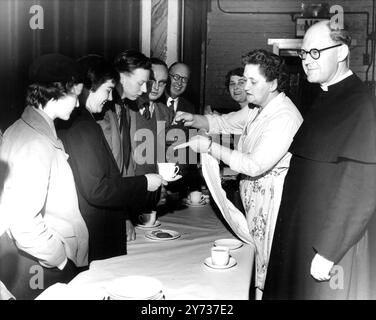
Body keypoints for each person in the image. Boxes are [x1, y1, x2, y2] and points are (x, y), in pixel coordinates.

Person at [174, 49, 303, 298]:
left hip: (272, 205)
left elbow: (254, 165)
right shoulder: (258, 107)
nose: (246, 87)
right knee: (256, 265)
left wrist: (211, 146)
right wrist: (195, 118)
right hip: (256, 203)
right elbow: (225, 122)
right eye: (245, 80)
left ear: (274, 83)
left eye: (253, 81)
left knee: (267, 268)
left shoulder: (284, 116)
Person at [263, 21, 376, 300]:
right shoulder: (322, 96)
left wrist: (328, 251)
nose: (306, 61)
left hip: (329, 247)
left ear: (341, 52)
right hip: (301, 234)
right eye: (304, 54)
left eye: (315, 52)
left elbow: (360, 187)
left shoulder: (361, 103)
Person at [59, 58, 166, 262]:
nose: (109, 98)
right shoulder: (84, 125)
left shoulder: (87, 120)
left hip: (106, 220)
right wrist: (145, 183)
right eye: (107, 90)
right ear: (89, 87)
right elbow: (97, 189)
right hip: (96, 228)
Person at [0, 54, 89, 299]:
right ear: (57, 91)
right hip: (42, 267)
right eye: (75, 95)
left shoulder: (24, 129)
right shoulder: (35, 142)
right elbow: (24, 224)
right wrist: (60, 259)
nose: (79, 104)